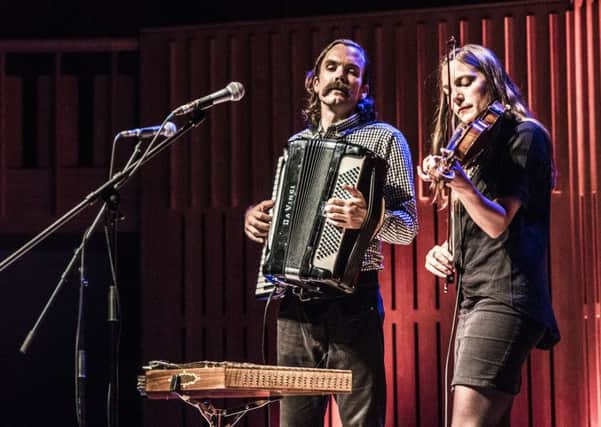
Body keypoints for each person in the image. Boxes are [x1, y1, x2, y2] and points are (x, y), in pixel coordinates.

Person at [244, 39, 418, 427]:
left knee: (362, 421)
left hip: (352, 304)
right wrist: (255, 218)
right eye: (333, 67)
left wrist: (369, 221)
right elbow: (282, 218)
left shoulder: (386, 139)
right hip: (294, 309)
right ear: (314, 80)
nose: (341, 75)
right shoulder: (295, 146)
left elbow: (408, 227)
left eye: (352, 71)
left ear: (364, 89)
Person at [418, 43, 560, 426]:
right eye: (450, 90)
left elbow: (500, 222)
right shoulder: (478, 149)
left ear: (493, 82)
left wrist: (462, 187)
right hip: (476, 297)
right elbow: (482, 228)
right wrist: (445, 249)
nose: (457, 96)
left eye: (466, 82)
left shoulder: (524, 134)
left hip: (505, 295)